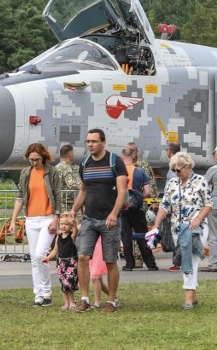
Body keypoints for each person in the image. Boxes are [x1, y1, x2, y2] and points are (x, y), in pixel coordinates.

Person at [71, 129, 127, 313]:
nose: (90, 145)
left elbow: (122, 192)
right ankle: (85, 299)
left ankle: (111, 301)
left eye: (94, 141)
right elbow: (84, 190)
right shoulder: (85, 163)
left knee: (110, 261)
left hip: (109, 220)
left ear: (103, 142)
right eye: (87, 141)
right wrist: (73, 209)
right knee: (82, 257)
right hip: (89, 218)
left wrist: (113, 214)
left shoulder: (115, 162)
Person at [147, 152, 212, 310]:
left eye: (178, 170)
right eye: (173, 170)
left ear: (188, 167)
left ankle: (188, 298)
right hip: (178, 229)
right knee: (185, 257)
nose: (176, 173)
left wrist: (198, 219)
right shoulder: (172, 183)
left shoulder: (200, 181)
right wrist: (156, 225)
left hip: (198, 228)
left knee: (189, 260)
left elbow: (209, 204)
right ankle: (193, 296)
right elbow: (165, 205)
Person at [8, 143, 61, 307]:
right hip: (31, 219)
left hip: (47, 218)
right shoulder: (26, 173)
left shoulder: (51, 172)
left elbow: (57, 196)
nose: (34, 163)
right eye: (31, 160)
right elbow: (20, 197)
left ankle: (47, 292)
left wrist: (56, 219)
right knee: (34, 259)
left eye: (37, 159)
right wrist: (13, 220)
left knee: (40, 255)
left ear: (43, 158)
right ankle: (38, 295)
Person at [120, 146, 157, 272]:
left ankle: (129, 263)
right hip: (137, 207)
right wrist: (139, 196)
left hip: (122, 208)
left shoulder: (117, 171)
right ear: (133, 156)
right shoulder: (140, 171)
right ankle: (151, 263)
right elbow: (147, 191)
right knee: (142, 235)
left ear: (122, 157)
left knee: (126, 235)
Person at [44, 213, 78, 310]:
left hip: (71, 262)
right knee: (63, 283)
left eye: (66, 224)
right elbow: (55, 250)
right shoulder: (58, 237)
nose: (63, 226)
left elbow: (75, 231)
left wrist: (74, 223)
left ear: (70, 226)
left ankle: (72, 302)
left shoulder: (72, 236)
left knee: (69, 283)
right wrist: (48, 258)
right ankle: (66, 302)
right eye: (61, 224)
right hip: (61, 263)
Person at [164, 142, 182, 271]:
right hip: (177, 205)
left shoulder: (173, 167)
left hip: (174, 206)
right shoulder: (180, 164)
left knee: (176, 234)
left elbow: (171, 187)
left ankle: (178, 262)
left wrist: (167, 205)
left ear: (170, 151)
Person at [55, 144, 81, 217]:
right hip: (68, 204)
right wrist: (85, 187)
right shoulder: (65, 167)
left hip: (61, 203)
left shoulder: (57, 167)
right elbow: (72, 185)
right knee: (75, 224)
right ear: (70, 154)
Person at [89, 236, 109, 309]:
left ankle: (97, 302)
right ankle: (113, 297)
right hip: (91, 249)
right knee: (99, 279)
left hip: (98, 249)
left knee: (94, 277)